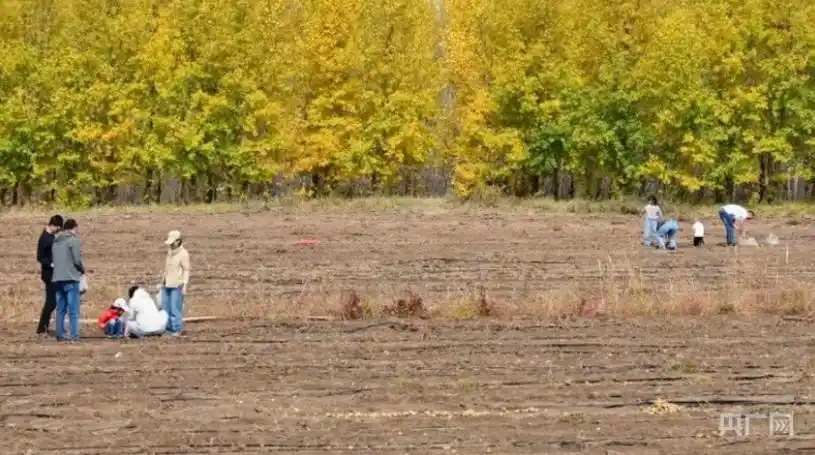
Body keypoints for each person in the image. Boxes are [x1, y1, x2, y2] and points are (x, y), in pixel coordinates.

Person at [51, 218, 85, 341]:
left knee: (60, 309)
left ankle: (59, 334)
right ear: (74, 228)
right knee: (73, 308)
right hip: (71, 278)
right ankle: (74, 335)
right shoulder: (73, 240)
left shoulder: (56, 241)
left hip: (58, 278)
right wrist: (82, 270)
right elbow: (77, 260)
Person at [35, 214, 63, 335]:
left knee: (51, 301)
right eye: (58, 228)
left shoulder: (50, 237)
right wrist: (50, 264)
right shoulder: (44, 238)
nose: (58, 231)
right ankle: (41, 328)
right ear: (54, 225)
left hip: (53, 274)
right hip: (48, 274)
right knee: (51, 302)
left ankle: (43, 327)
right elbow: (40, 257)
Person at [161, 230, 190, 336]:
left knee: (175, 308)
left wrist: (185, 284)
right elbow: (167, 268)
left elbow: (186, 270)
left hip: (177, 285)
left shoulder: (183, 254)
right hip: (167, 283)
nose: (172, 245)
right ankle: (168, 328)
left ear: (179, 241)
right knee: (166, 308)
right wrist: (163, 281)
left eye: (173, 243)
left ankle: (176, 329)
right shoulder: (169, 252)